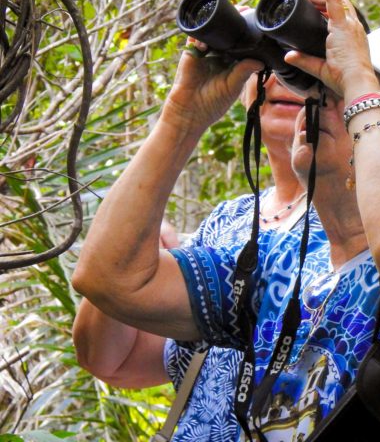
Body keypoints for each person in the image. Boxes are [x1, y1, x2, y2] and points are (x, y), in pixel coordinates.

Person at [72, 0, 380, 440]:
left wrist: (357, 76)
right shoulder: (277, 259)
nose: (320, 98)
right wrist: (183, 116)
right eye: (318, 85)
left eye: (346, 92)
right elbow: (110, 280)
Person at [72, 68, 314, 439]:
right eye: (267, 61)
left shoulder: (360, 229)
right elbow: (112, 361)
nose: (280, 77)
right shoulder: (230, 219)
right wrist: (136, 244)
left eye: (303, 66)